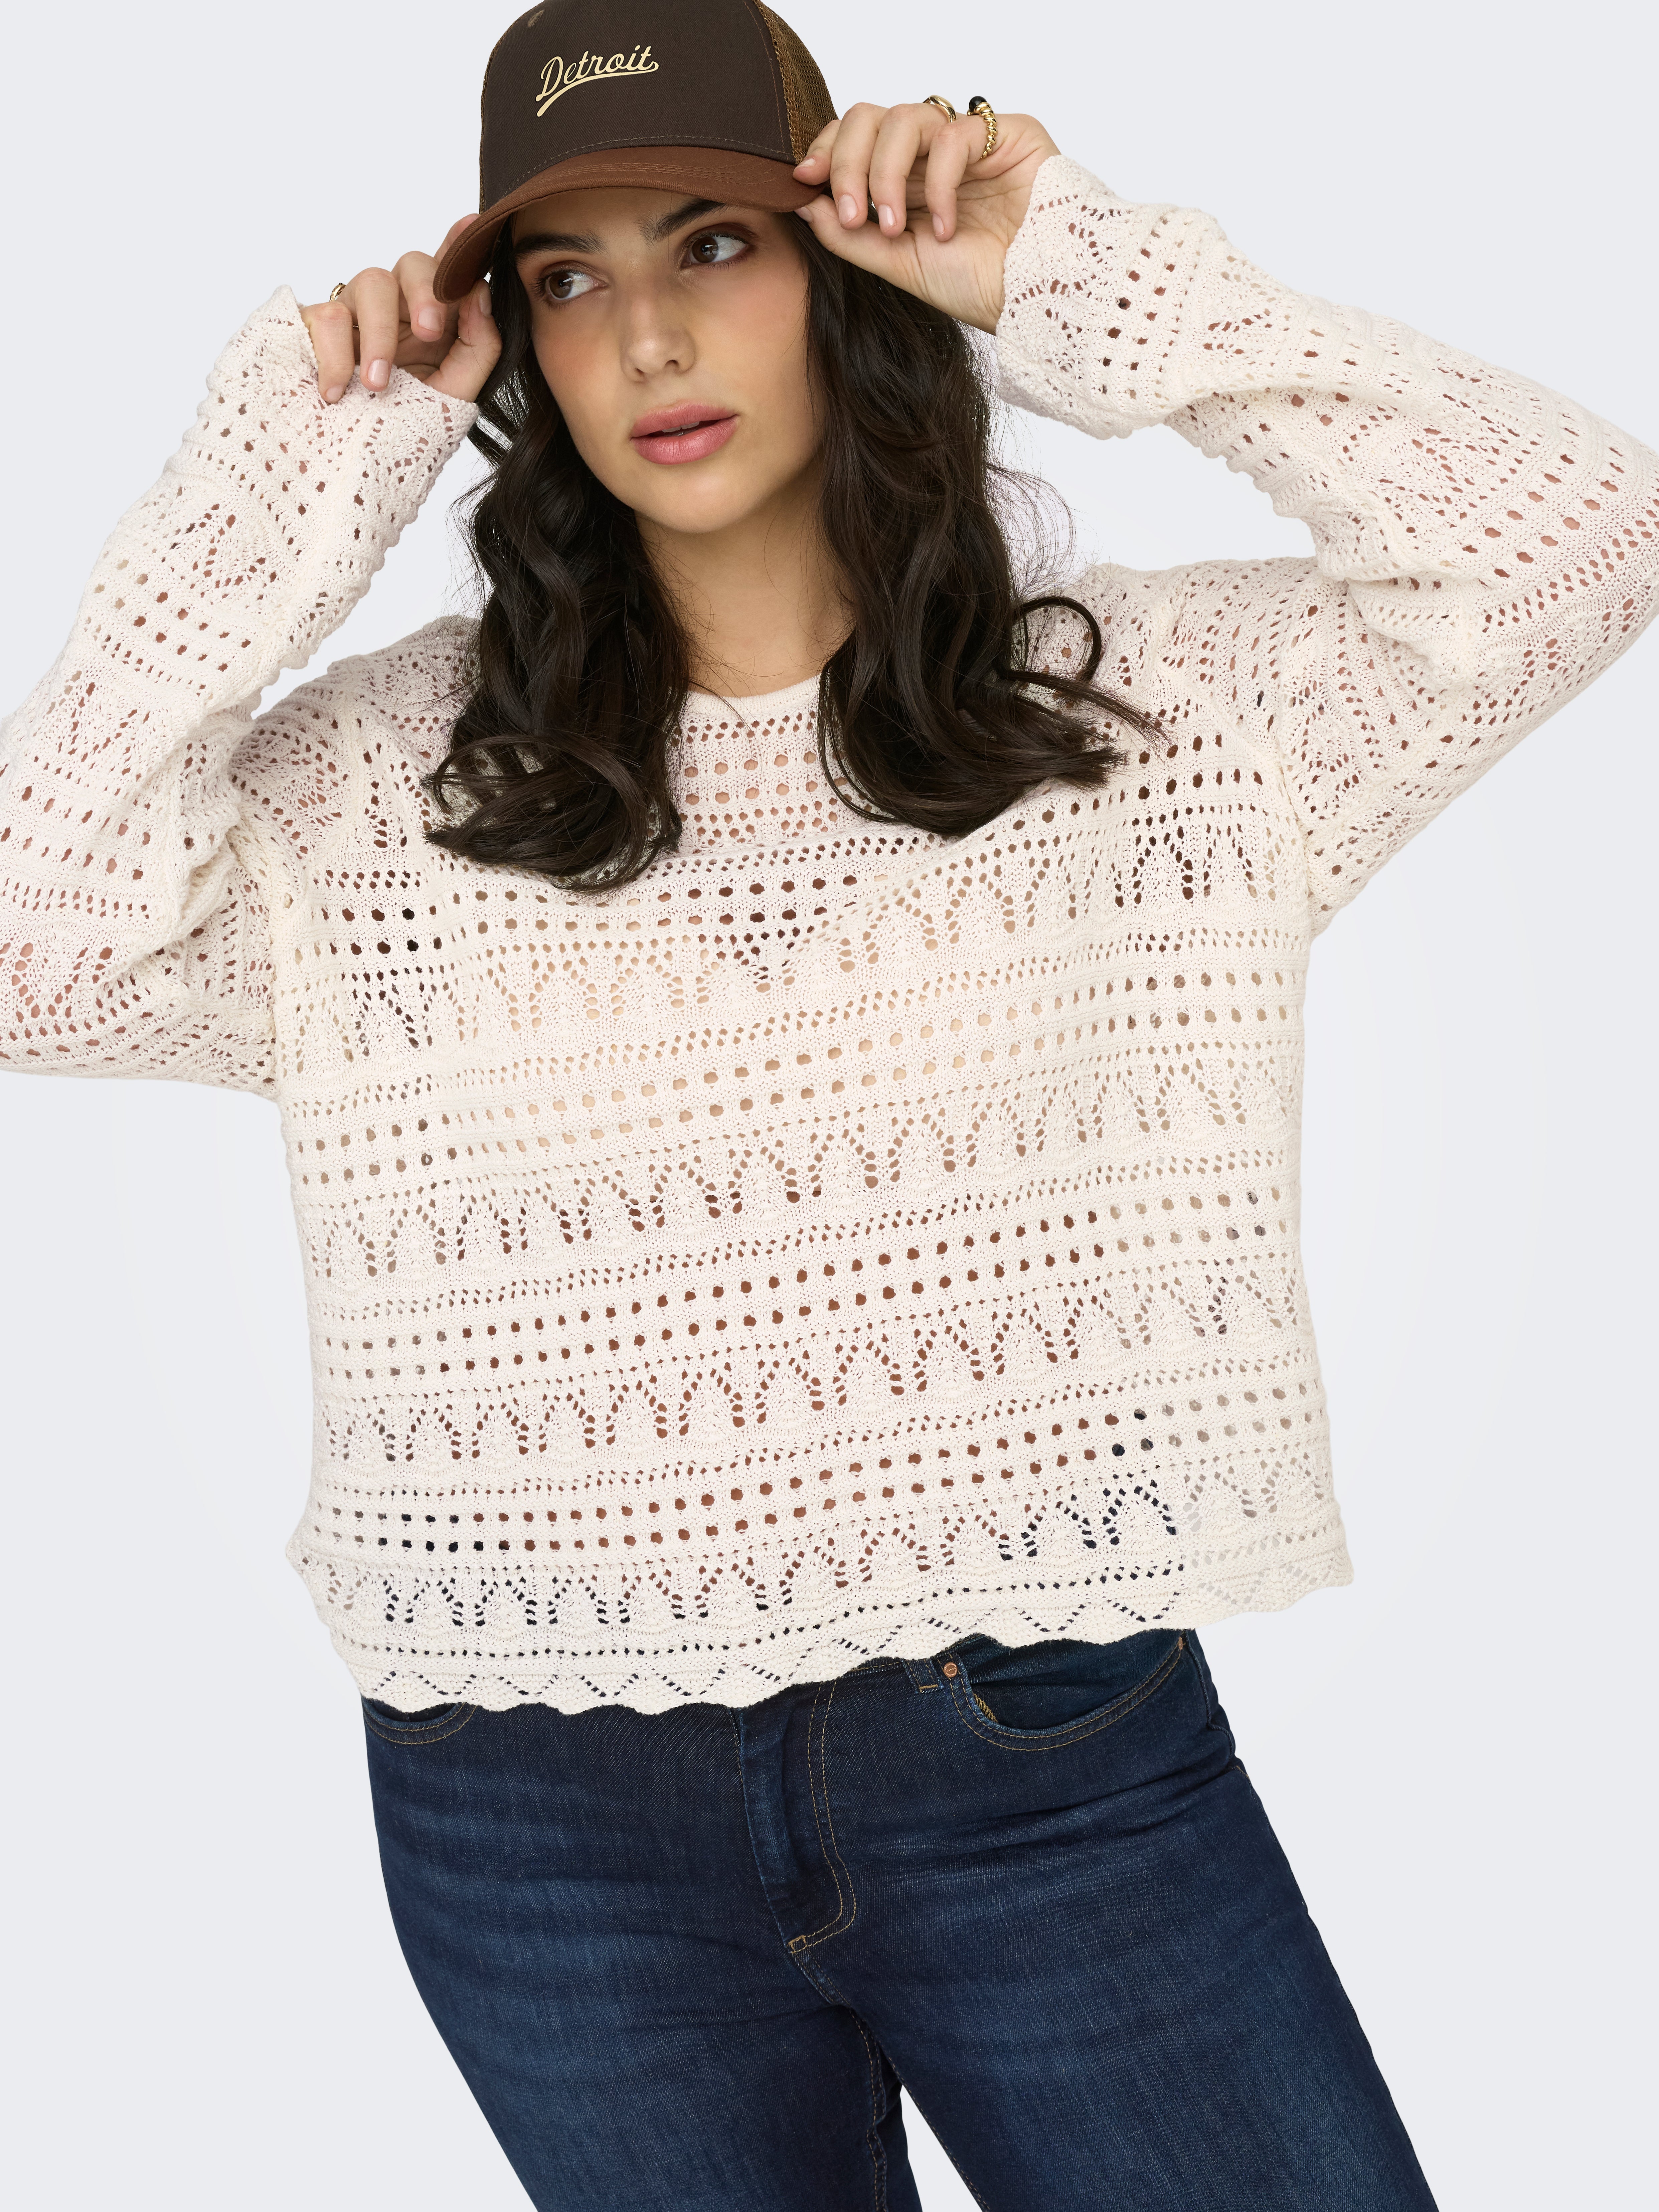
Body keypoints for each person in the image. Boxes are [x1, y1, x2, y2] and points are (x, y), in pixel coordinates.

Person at [3, 1, 1653, 2205]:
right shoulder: (384, 795)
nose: (646, 341)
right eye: (568, 279)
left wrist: (1072, 266)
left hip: (1032, 1745)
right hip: (533, 1806)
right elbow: (31, 954)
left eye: (714, 245)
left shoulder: (1161, 720)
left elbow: (1572, 537)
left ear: (847, 269)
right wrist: (282, 483)